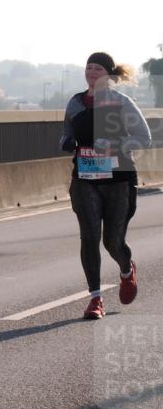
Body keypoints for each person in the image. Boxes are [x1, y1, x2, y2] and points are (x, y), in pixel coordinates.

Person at [60, 52, 152, 320]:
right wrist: (67, 143)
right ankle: (95, 299)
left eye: (97, 68)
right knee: (89, 237)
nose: (91, 72)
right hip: (85, 179)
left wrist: (117, 145)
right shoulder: (76, 103)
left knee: (112, 241)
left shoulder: (121, 102)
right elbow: (66, 134)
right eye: (88, 67)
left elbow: (143, 137)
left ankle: (126, 270)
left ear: (108, 74)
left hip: (117, 180)